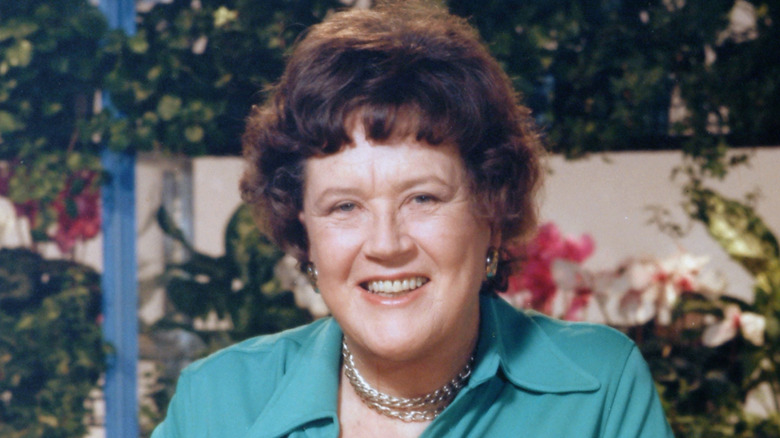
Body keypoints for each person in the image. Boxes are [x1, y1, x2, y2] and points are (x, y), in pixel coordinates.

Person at [152, 1, 674, 436]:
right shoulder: (215, 405)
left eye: (422, 198)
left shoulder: (598, 390)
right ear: (303, 233)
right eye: (345, 206)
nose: (386, 243)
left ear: (492, 212)